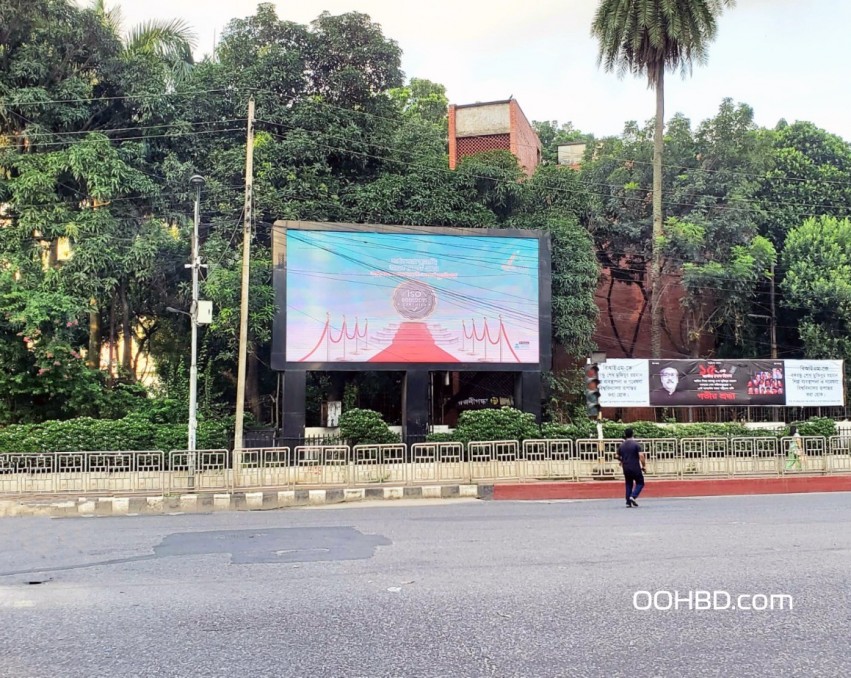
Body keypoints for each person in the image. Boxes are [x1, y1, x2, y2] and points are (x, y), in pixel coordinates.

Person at [617, 428, 646, 507]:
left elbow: (617, 456)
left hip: (626, 467)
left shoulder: (622, 445)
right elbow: (641, 456)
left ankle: (628, 502)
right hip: (635, 467)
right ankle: (633, 496)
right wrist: (644, 466)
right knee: (640, 482)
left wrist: (621, 460)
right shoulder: (636, 444)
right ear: (632, 434)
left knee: (629, 484)